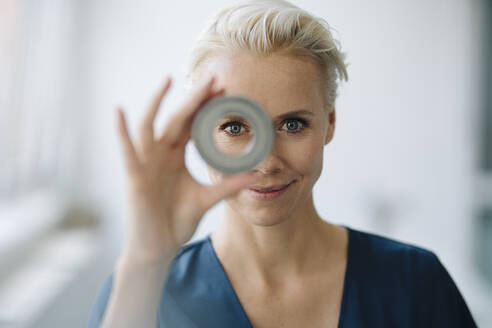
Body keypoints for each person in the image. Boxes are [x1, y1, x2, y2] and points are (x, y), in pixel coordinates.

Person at [88, 0, 477, 327]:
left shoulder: (415, 284)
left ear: (330, 123)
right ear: (200, 132)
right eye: (236, 127)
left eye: (293, 124)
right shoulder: (142, 289)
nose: (268, 162)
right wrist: (147, 256)